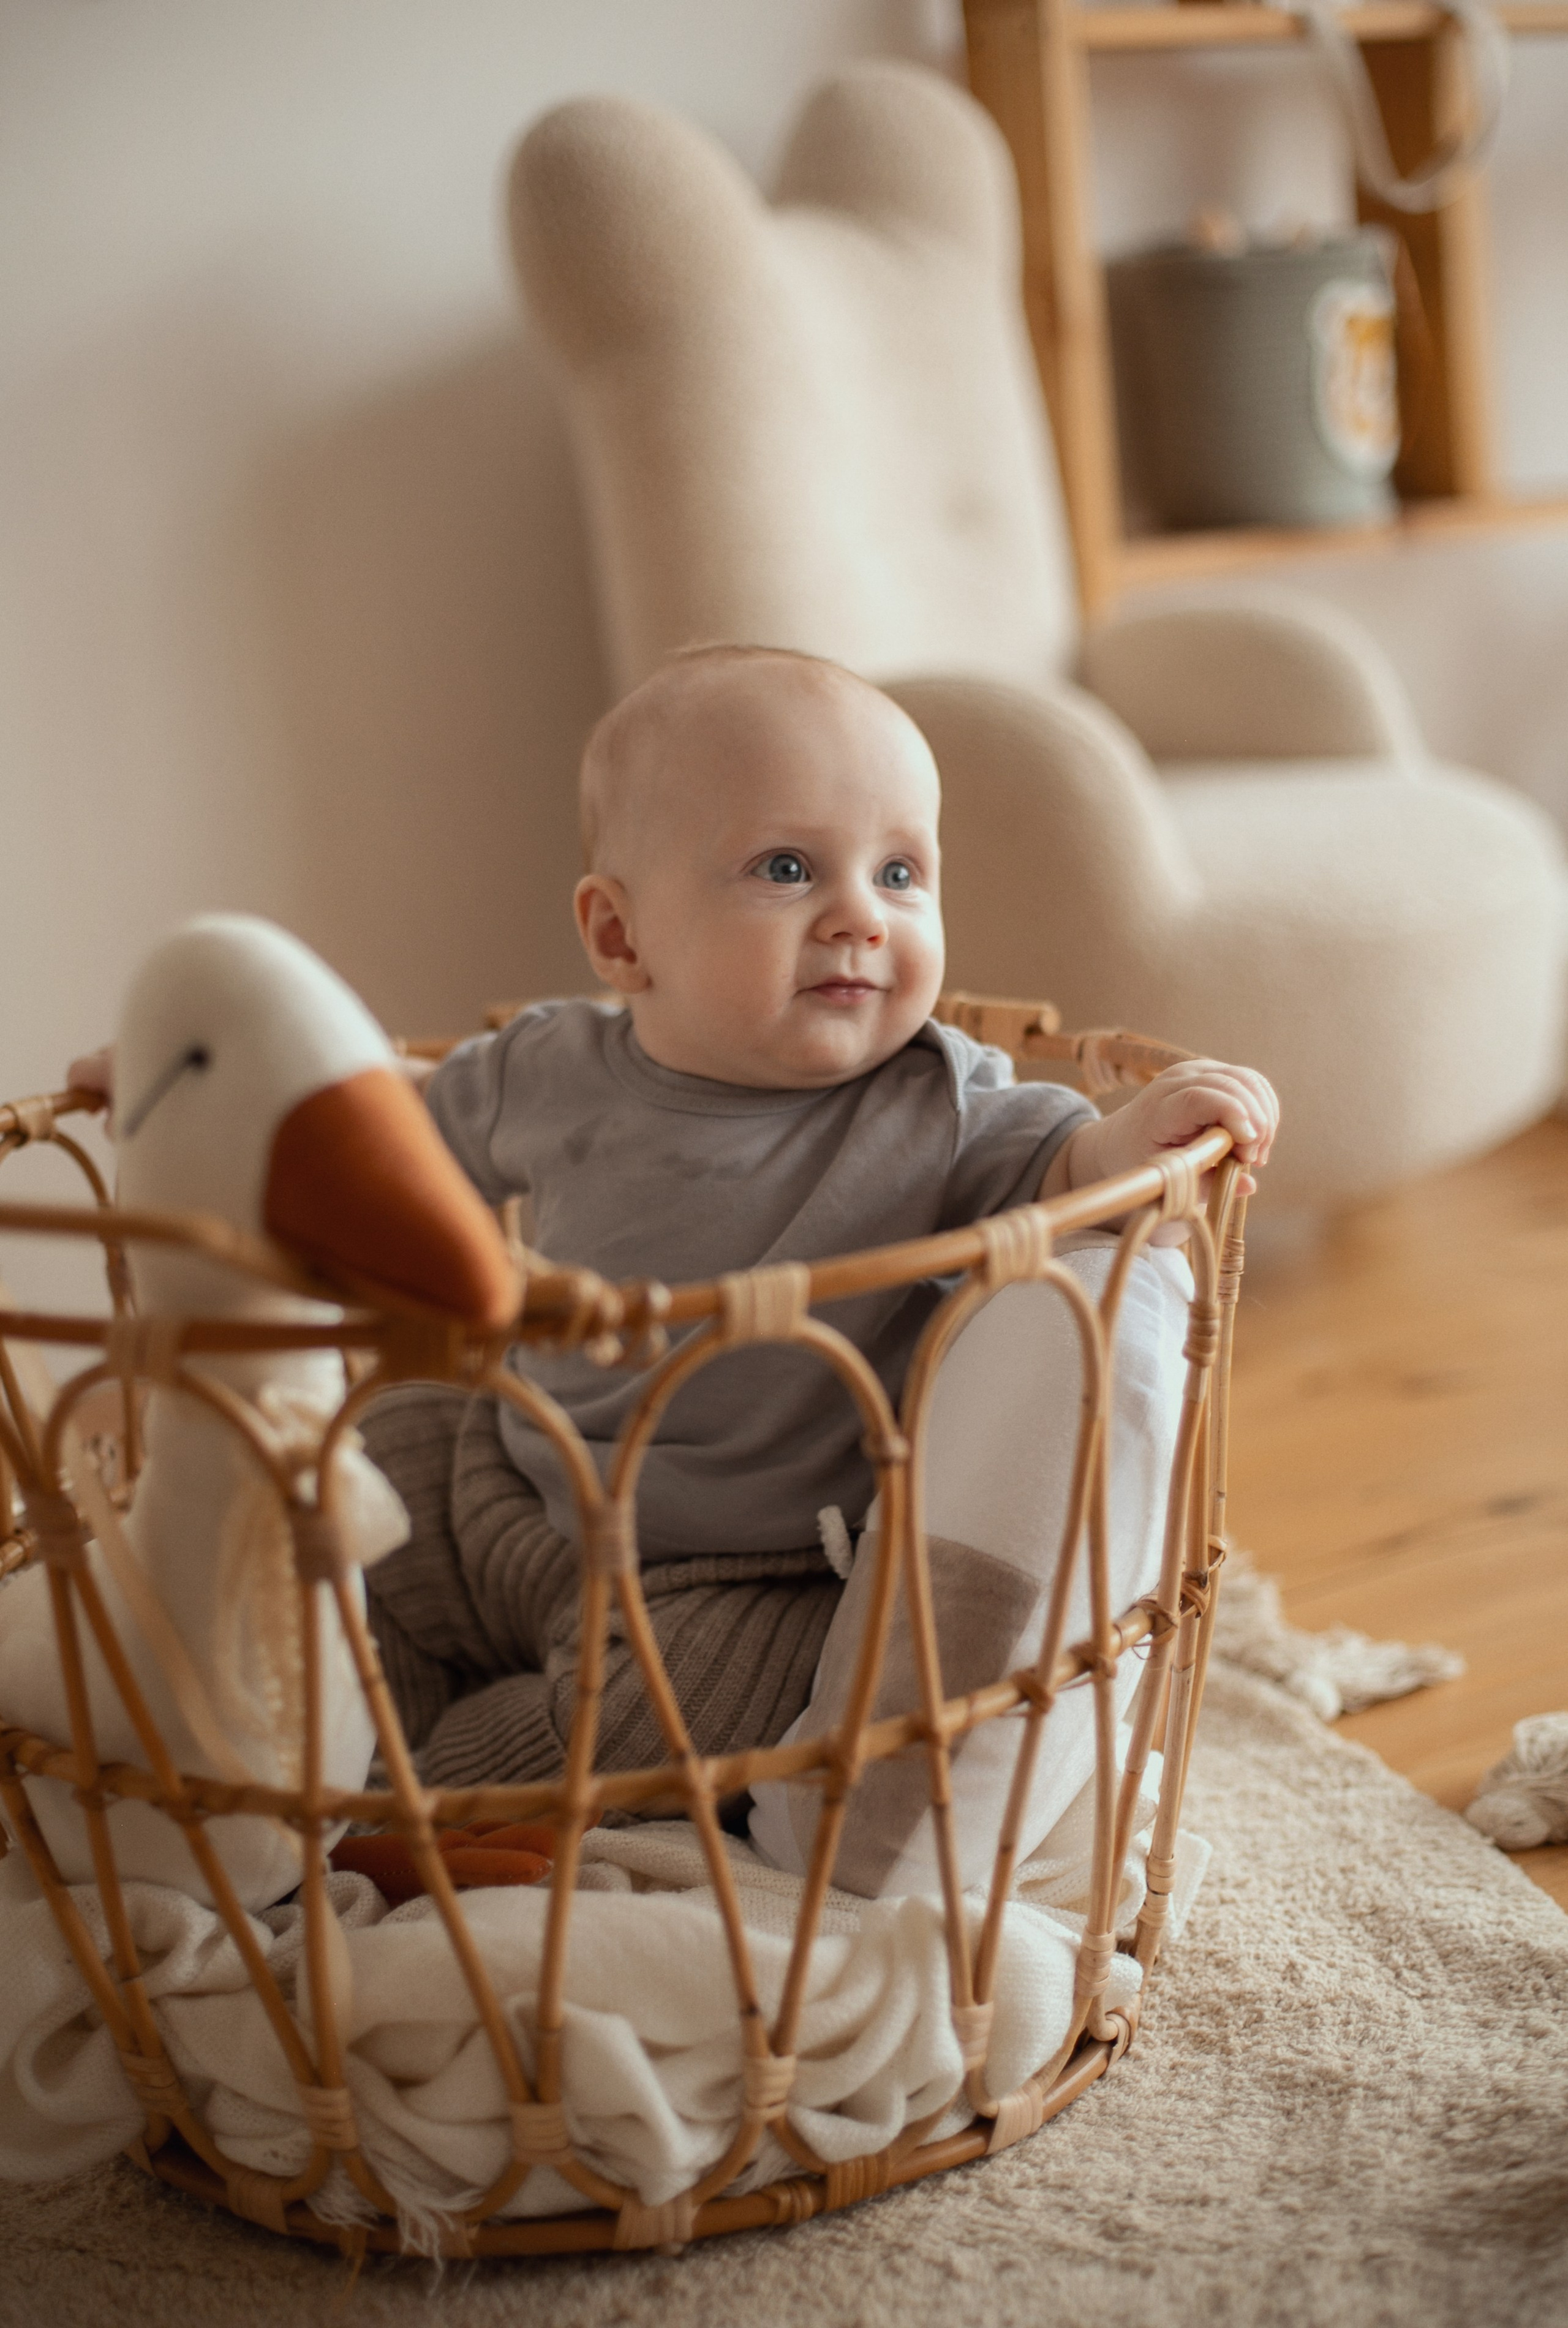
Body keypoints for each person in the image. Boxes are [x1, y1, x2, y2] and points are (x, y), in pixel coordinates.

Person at [351, 643, 1276, 1879]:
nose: (860, 914)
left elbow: (1067, 1168)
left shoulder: (934, 1104)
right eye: (786, 868)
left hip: (734, 1575)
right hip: (507, 1475)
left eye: (900, 871)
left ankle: (400, 1809)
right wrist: (219, 1081)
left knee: (631, 1732)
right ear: (621, 935)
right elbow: (386, 1137)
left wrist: (1138, 1132)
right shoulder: (549, 1068)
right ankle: (322, 1728)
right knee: (346, 1475)